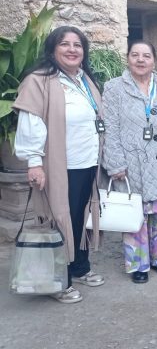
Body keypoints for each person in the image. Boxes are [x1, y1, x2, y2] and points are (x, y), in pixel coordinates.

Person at [14, 26, 105, 303]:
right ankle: (58, 279)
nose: (72, 49)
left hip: (86, 162)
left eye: (77, 45)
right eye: (65, 44)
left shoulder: (84, 80)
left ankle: (78, 267)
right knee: (58, 219)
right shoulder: (39, 81)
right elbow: (32, 123)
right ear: (53, 49)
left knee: (79, 218)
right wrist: (34, 162)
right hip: (58, 166)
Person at [102, 40, 157, 284]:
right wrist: (114, 163)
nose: (140, 59)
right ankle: (138, 264)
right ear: (128, 58)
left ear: (154, 60)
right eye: (135, 55)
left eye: (146, 55)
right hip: (131, 161)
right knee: (136, 214)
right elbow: (110, 129)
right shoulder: (114, 88)